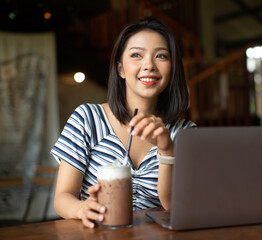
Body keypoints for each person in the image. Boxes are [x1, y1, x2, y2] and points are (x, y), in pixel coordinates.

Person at [51, 17, 196, 228]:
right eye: (137, 55)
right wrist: (81, 208)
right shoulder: (87, 118)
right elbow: (62, 197)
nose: (149, 65)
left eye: (161, 56)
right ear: (120, 69)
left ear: (172, 69)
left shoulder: (186, 133)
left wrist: (167, 151)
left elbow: (174, 207)